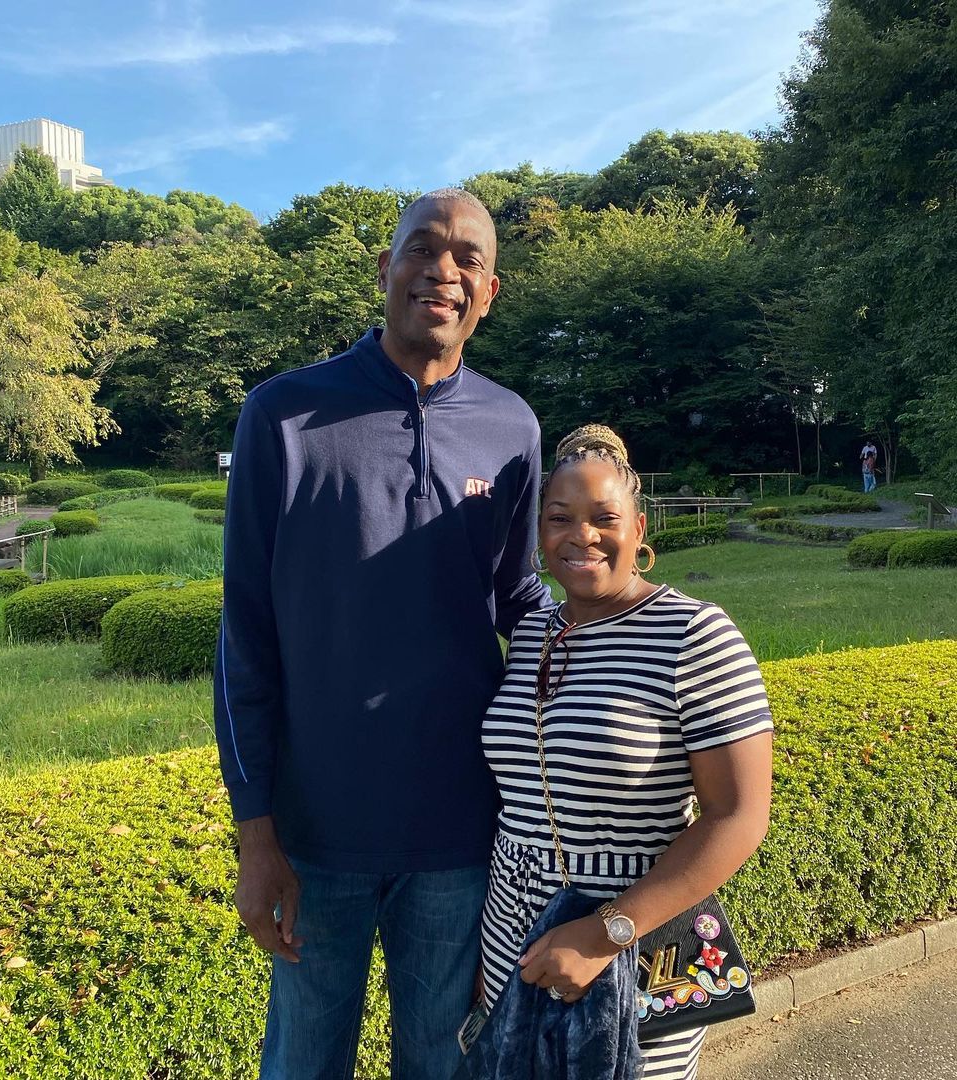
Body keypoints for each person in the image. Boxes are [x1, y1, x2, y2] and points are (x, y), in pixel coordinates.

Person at [214, 188, 552, 1079]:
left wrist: (631, 631)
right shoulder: (283, 416)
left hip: (457, 828)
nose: (442, 271)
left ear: (490, 292)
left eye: (467, 259)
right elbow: (243, 631)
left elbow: (518, 596)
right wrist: (256, 834)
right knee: (304, 1061)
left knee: (445, 1064)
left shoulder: (512, 427)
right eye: (421, 250)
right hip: (315, 834)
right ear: (385, 269)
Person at [478, 424, 773, 1080]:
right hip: (510, 943)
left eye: (604, 518)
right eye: (560, 518)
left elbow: (739, 817)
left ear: (640, 530)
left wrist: (601, 935)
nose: (582, 535)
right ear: (539, 535)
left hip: (636, 947)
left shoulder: (695, 635)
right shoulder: (532, 633)